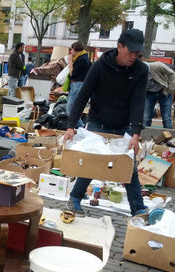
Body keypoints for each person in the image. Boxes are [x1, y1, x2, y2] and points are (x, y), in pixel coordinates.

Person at [63, 29, 148, 217]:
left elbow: (138, 102)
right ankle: (75, 198)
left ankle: (138, 209)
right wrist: (70, 126)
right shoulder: (99, 66)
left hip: (123, 124)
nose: (134, 56)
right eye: (130, 52)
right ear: (120, 46)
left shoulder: (141, 70)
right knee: (92, 162)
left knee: (128, 166)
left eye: (137, 53)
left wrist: (136, 134)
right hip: (97, 121)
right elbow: (82, 95)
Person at [141, 57, 175, 129]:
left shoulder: (157, 66)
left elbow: (172, 74)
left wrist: (170, 89)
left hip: (163, 92)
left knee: (166, 118)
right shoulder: (137, 71)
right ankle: (146, 137)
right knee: (146, 117)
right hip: (149, 94)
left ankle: (170, 138)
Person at [66, 41, 91, 128]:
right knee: (71, 108)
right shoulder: (83, 58)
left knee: (70, 108)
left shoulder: (82, 60)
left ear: (76, 50)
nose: (71, 52)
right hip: (76, 85)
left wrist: (70, 62)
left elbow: (73, 73)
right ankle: (79, 126)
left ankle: (81, 126)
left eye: (72, 49)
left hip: (77, 85)